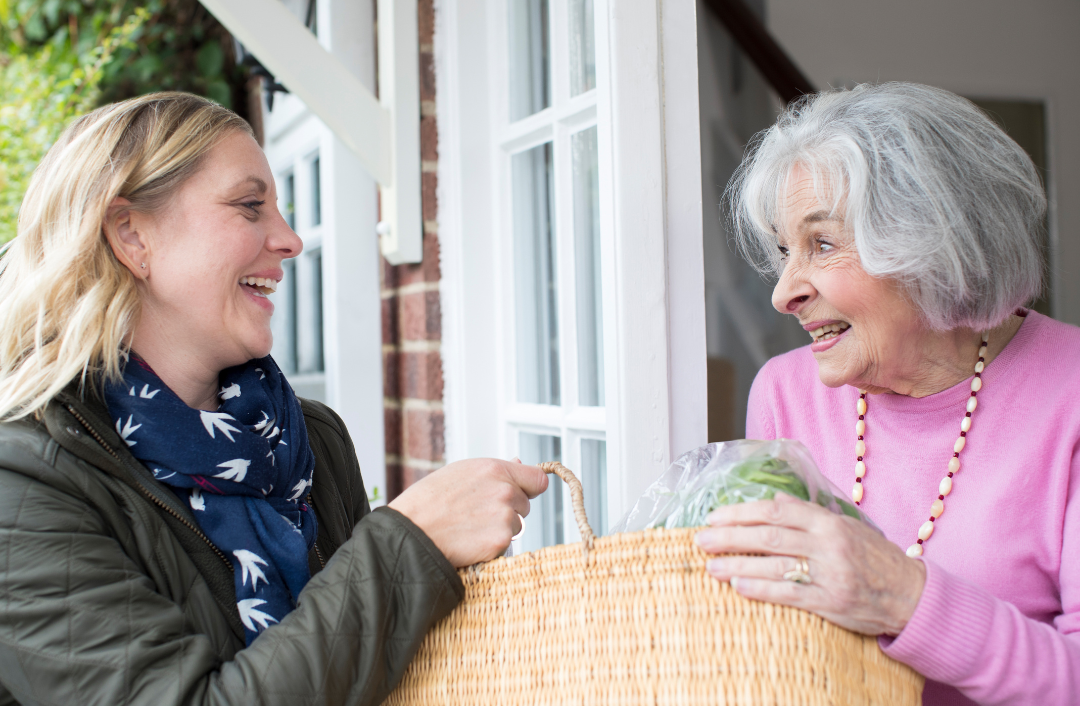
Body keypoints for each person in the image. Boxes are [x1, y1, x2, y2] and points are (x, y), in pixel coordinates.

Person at [0, 92, 548, 705]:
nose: (289, 240)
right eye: (250, 206)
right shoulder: (23, 483)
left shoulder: (309, 438)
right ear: (132, 236)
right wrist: (409, 544)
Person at [694, 82, 1080, 705]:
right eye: (785, 250)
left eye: (821, 244)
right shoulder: (786, 393)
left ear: (932, 241)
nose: (783, 292)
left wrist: (902, 596)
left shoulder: (1070, 396)